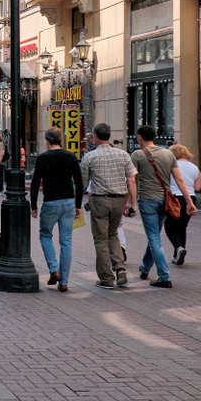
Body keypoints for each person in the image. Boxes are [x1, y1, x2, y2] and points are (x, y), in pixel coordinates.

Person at [130, 125, 198, 288]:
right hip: (166, 201)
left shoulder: (138, 154)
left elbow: (131, 180)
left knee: (153, 237)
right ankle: (145, 268)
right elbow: (180, 180)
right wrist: (189, 202)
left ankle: (164, 276)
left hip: (147, 201)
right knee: (154, 235)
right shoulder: (168, 154)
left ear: (140, 137)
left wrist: (131, 203)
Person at [80, 123, 136, 289]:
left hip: (100, 201)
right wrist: (132, 203)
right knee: (113, 235)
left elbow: (83, 183)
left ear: (96, 137)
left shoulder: (90, 157)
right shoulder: (123, 155)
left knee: (100, 239)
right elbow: (131, 180)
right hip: (119, 200)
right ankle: (120, 269)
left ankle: (106, 278)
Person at [30, 128, 84, 293]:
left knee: (45, 235)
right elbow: (79, 183)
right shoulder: (71, 156)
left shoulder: (42, 158)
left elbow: (35, 183)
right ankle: (64, 282)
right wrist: (78, 205)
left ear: (47, 141)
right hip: (68, 202)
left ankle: (54, 270)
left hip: (50, 202)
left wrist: (33, 206)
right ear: (62, 141)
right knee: (66, 242)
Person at [166, 144, 201, 267]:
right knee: (182, 227)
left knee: (169, 226)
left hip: (174, 199)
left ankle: (179, 248)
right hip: (190, 198)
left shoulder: (170, 165)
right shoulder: (195, 167)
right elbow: (197, 187)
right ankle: (178, 255)